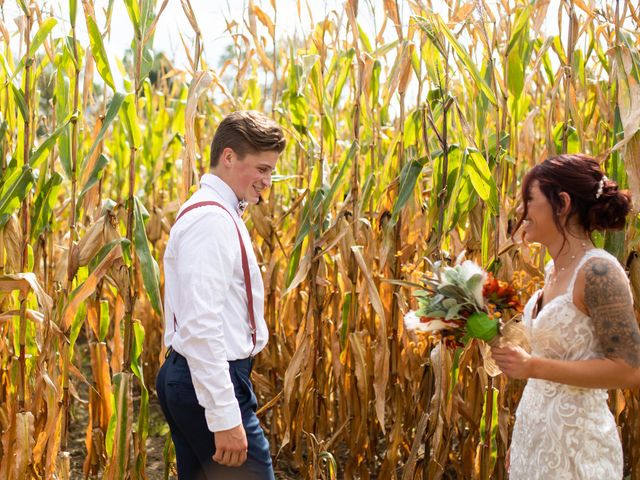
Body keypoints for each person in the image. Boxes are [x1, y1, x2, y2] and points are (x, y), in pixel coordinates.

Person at [491, 154, 640, 479]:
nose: (521, 212)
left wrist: (532, 366)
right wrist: (523, 441)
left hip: (576, 446)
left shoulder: (599, 271)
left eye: (529, 200)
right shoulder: (553, 270)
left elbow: (630, 370)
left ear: (562, 203)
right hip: (536, 437)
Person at [156, 110, 285, 479]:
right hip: (207, 382)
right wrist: (225, 416)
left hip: (195, 378)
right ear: (228, 157)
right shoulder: (211, 221)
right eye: (261, 169)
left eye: (271, 171)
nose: (267, 181)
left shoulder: (218, 213)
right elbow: (199, 325)